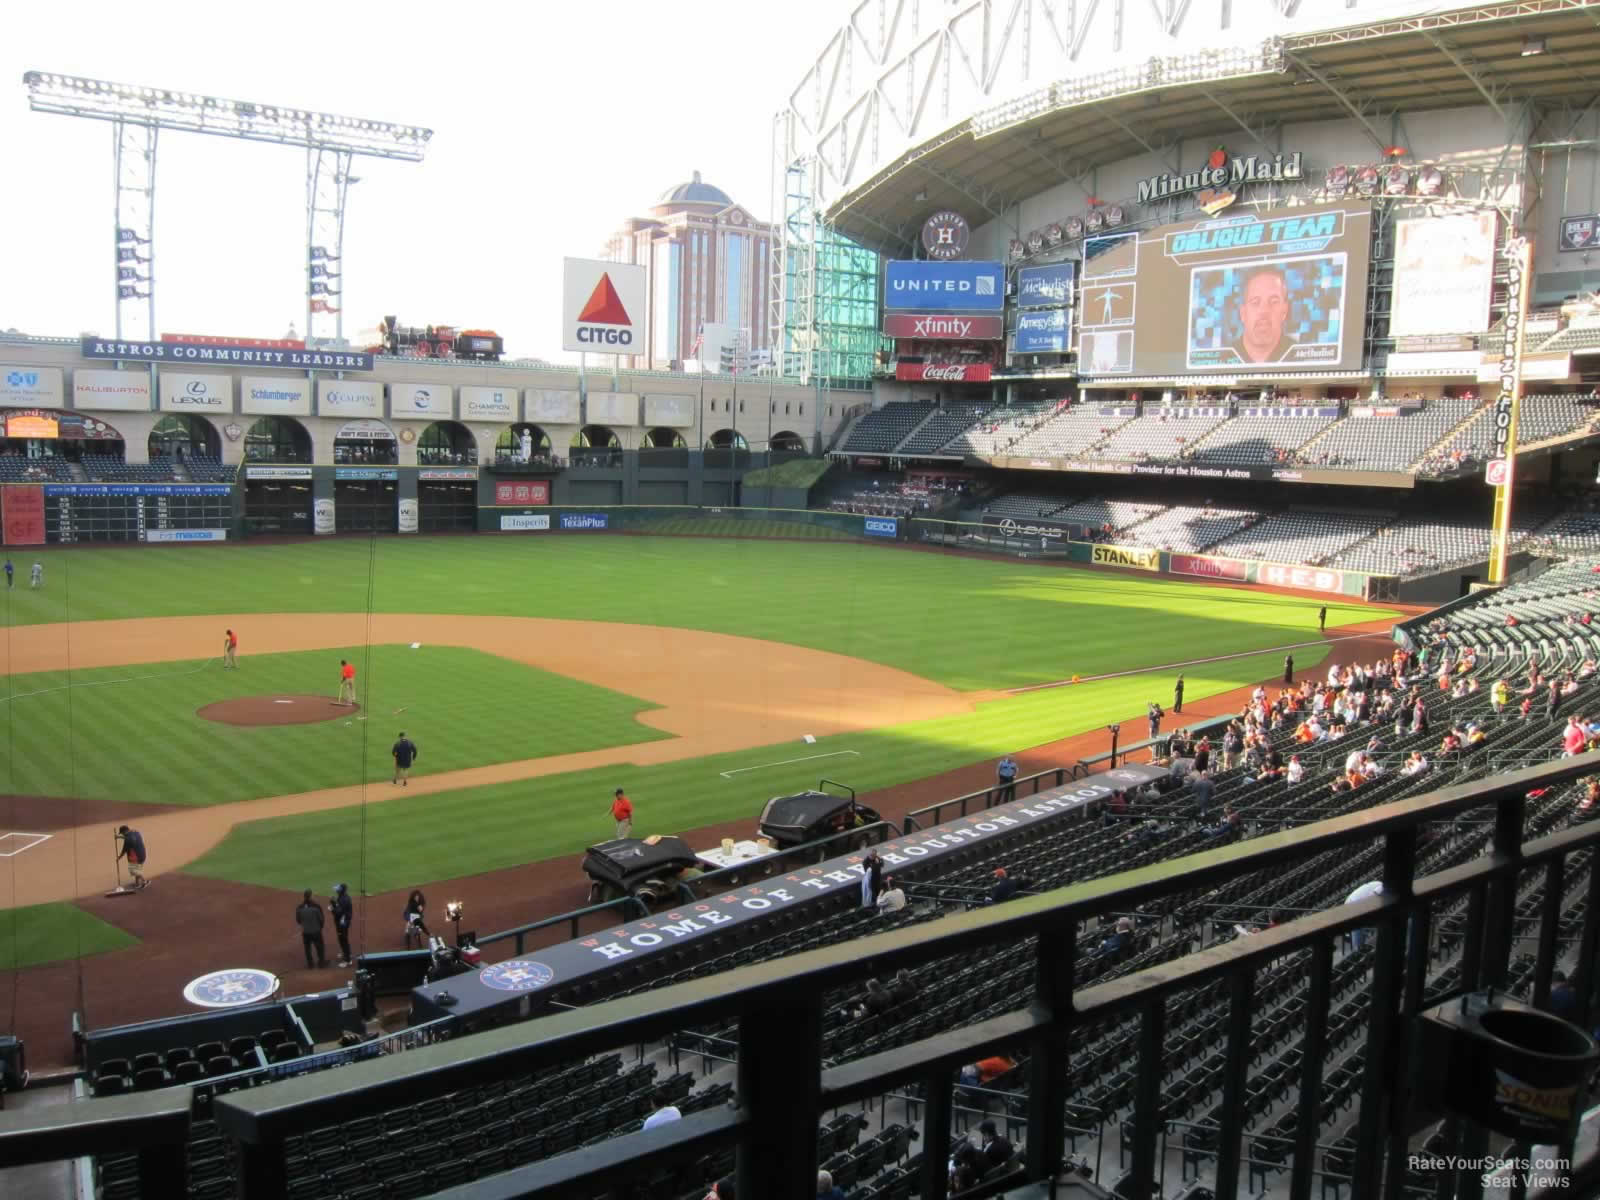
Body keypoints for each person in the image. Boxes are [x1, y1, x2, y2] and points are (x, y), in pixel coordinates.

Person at [1229, 265, 1297, 364]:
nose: (1264, 310)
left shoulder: (1300, 354)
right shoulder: (1224, 356)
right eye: (1255, 302)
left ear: (1284, 311)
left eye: (1274, 302)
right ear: (1243, 313)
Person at [296, 889, 328, 969]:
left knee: (307, 948)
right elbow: (321, 919)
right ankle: (321, 963)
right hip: (316, 931)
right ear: (310, 896)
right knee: (320, 947)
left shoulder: (300, 907)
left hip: (306, 932)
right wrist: (319, 927)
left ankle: (310, 964)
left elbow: (298, 920)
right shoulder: (316, 906)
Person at [115, 825, 147, 889]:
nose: (122, 834)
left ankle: (144, 882)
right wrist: (119, 837)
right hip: (142, 853)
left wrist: (119, 857)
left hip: (136, 856)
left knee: (135, 870)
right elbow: (131, 837)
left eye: (122, 833)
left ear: (124, 831)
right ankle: (137, 884)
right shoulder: (135, 831)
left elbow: (124, 849)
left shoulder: (127, 840)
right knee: (136, 869)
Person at [330, 883, 354, 966]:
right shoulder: (344, 897)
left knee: (343, 940)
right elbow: (340, 908)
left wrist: (332, 908)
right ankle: (347, 954)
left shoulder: (343, 899)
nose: (336, 891)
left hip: (342, 923)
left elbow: (338, 912)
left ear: (340, 891)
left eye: (338, 890)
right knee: (344, 939)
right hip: (345, 922)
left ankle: (347, 960)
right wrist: (334, 904)